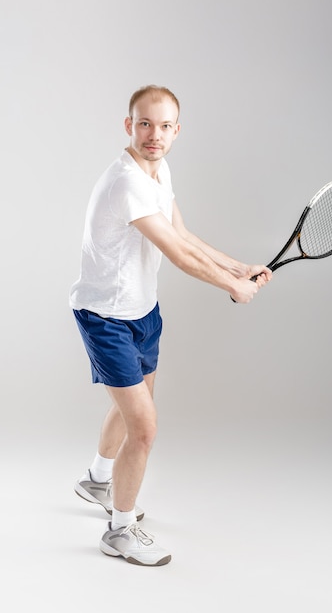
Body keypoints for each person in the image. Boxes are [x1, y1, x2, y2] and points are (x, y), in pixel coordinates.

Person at [69, 85, 272, 567]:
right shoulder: (127, 182)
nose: (153, 135)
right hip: (106, 317)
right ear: (128, 126)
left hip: (143, 311)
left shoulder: (158, 171)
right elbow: (177, 255)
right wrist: (231, 286)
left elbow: (182, 233)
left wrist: (237, 266)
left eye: (164, 126)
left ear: (176, 131)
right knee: (144, 427)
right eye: (144, 124)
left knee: (133, 407)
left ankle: (98, 479)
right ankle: (119, 531)